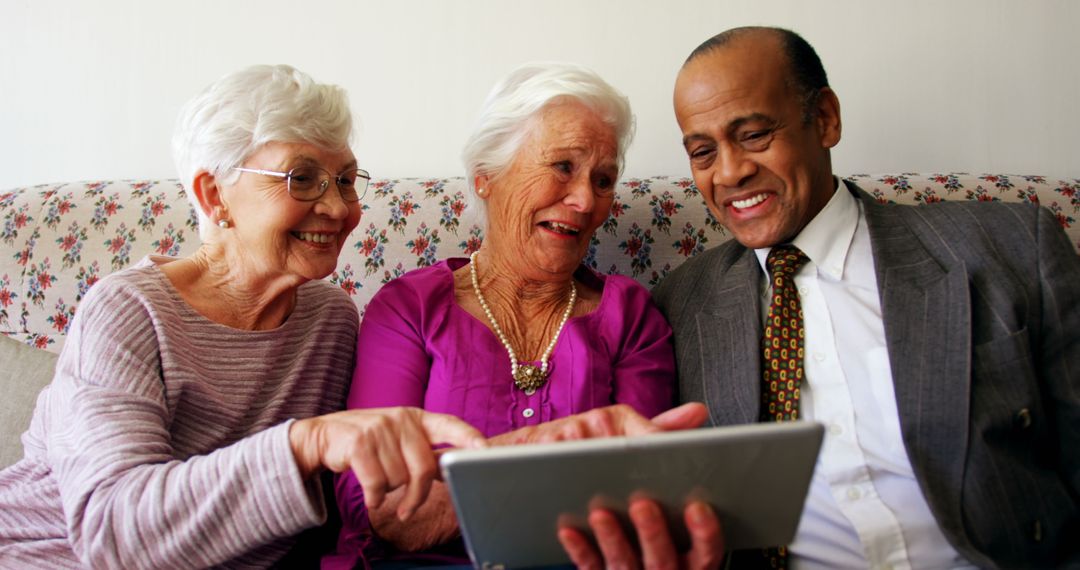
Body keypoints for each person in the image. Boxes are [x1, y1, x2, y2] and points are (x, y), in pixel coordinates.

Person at [561, 26, 1080, 569]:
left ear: (826, 119)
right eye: (703, 151)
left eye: (755, 134)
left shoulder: (1010, 245)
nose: (731, 172)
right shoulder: (677, 305)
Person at [0, 64, 490, 569]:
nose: (338, 208)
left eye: (344, 180)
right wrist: (308, 441)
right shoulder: (129, 309)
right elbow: (113, 532)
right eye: (302, 179)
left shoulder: (331, 320)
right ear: (215, 196)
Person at [328, 62, 679, 567]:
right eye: (563, 166)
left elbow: (637, 498)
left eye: (603, 180)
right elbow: (378, 507)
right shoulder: (410, 310)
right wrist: (556, 451)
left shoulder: (630, 317)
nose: (585, 200)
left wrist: (460, 486)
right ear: (486, 178)